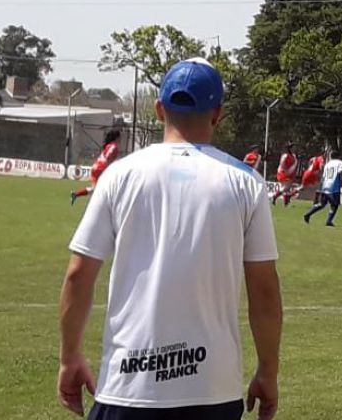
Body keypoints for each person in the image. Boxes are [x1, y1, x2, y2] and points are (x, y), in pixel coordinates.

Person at [58, 58, 282, 420]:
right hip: (213, 392)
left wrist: (69, 358)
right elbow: (265, 291)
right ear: (218, 113)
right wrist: (268, 372)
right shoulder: (246, 183)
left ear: (160, 109)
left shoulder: (120, 175)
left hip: (128, 388)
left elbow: (78, 274)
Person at [70, 129, 121, 205]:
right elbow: (109, 155)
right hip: (101, 169)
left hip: (95, 168)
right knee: (108, 188)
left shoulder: (108, 145)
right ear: (117, 137)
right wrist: (109, 164)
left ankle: (76, 194)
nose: (121, 139)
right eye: (120, 137)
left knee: (96, 190)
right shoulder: (114, 146)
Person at [304, 149, 342, 227]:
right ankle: (329, 221)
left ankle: (308, 214)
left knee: (321, 204)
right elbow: (341, 172)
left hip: (325, 186)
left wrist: (321, 186)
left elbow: (323, 176)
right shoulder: (339, 163)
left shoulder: (327, 164)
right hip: (334, 187)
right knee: (335, 205)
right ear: (338, 156)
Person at [271, 142, 298, 206]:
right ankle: (275, 196)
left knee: (287, 189)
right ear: (290, 148)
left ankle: (285, 203)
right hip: (284, 172)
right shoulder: (285, 155)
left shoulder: (293, 156)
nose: (294, 149)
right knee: (285, 187)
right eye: (293, 147)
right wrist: (286, 171)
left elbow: (294, 165)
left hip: (290, 173)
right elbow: (282, 164)